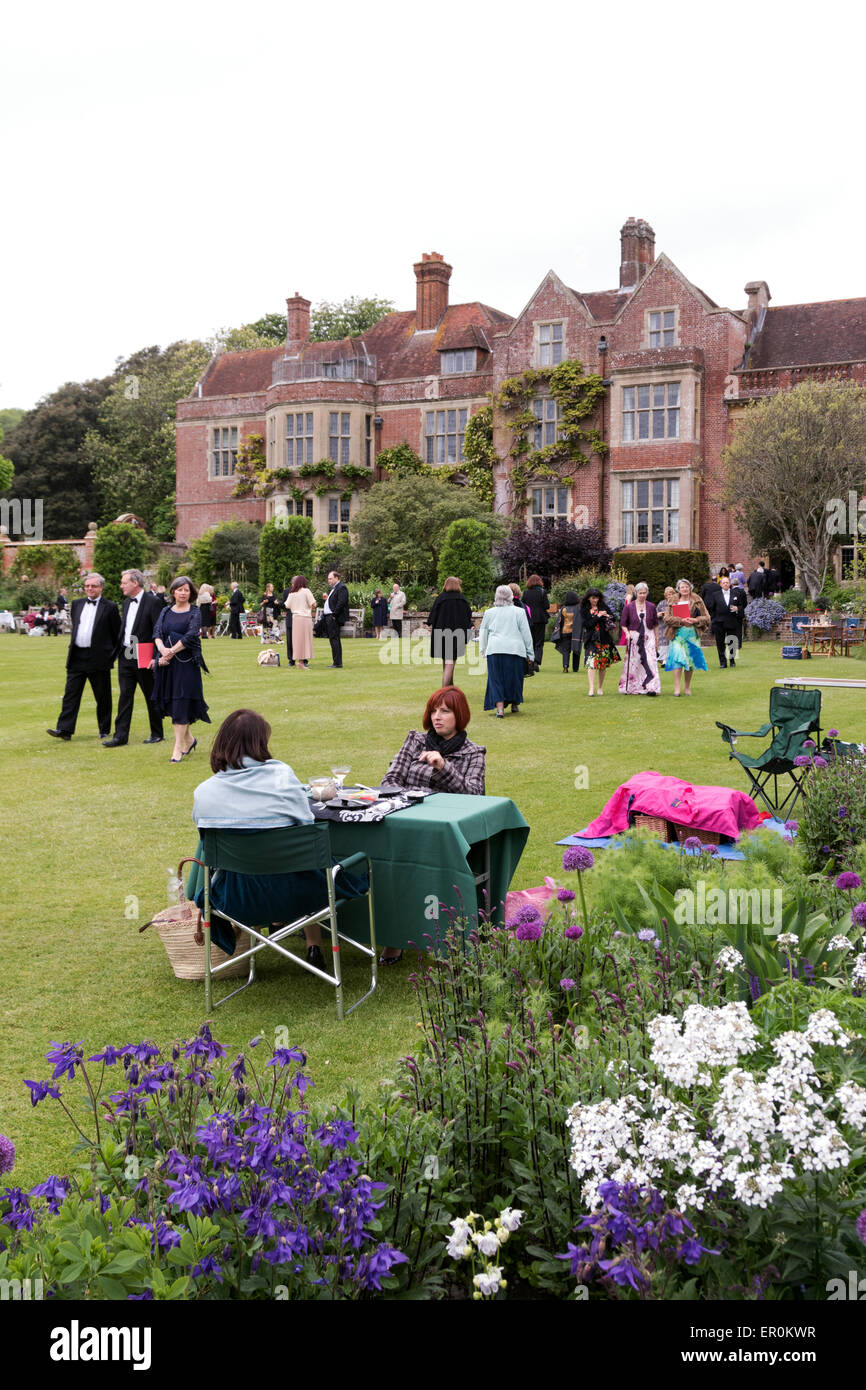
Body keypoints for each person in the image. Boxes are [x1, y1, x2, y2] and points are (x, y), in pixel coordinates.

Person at [192, 709, 331, 969]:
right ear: (260, 743)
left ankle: (279, 935)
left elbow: (206, 842)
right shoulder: (282, 777)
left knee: (266, 867)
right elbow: (306, 826)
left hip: (235, 897)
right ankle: (314, 944)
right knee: (306, 866)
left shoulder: (204, 793)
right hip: (297, 893)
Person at [380, 686, 486, 963]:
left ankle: (446, 932)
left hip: (447, 832)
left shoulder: (474, 753)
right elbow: (390, 781)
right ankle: (395, 935)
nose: (437, 717)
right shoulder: (415, 740)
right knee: (390, 866)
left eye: (445, 711)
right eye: (433, 711)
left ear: (459, 715)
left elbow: (475, 797)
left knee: (427, 871)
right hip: (408, 822)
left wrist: (443, 768)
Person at [47, 573, 121, 741]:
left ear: (101, 587)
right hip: (77, 656)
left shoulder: (109, 607)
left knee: (102, 696)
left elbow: (117, 634)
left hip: (99, 657)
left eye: (93, 586)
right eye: (87, 586)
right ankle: (64, 730)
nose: (89, 589)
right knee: (70, 694)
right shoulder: (77, 604)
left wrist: (111, 657)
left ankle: (104, 728)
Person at [103, 568, 165, 746]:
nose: (121, 585)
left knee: (150, 694)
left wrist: (156, 656)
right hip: (126, 655)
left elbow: (158, 631)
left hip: (145, 655)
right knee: (125, 696)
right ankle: (120, 736)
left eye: (124, 582)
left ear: (135, 583)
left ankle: (157, 732)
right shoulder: (126, 603)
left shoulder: (153, 602)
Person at [152, 576, 211, 761]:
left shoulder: (195, 612)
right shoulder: (165, 611)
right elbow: (157, 632)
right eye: (180, 590)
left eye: (186, 590)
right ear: (173, 592)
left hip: (186, 665)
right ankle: (189, 740)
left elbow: (191, 636)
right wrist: (162, 650)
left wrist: (170, 651)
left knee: (181, 702)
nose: (183, 593)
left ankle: (177, 748)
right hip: (168, 665)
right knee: (172, 703)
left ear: (191, 593)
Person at [479, 584, 534, 717]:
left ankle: (500, 709)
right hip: (515, 649)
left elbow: (483, 633)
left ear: (496, 596)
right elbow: (526, 633)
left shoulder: (489, 613)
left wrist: (483, 649)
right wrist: (530, 653)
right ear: (511, 596)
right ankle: (514, 704)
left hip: (495, 649)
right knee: (515, 678)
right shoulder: (519, 612)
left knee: (496, 679)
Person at [663, 578, 710, 696]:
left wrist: (695, 620)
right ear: (678, 589)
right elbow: (666, 618)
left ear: (690, 588)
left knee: (690, 661)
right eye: (682, 587)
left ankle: (687, 688)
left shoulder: (698, 600)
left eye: (686, 586)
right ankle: (677, 689)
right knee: (678, 660)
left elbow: (707, 617)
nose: (684, 589)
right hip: (677, 635)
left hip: (692, 635)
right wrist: (681, 620)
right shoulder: (672, 600)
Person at [426, 576, 474, 687]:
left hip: (441, 632)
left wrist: (430, 625)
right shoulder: (462, 599)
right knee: (451, 660)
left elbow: (433, 615)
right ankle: (444, 690)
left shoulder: (440, 598)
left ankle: (449, 686)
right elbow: (468, 616)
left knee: (447, 660)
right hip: (457, 633)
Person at [618, 582, 661, 695]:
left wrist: (657, 639)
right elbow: (623, 624)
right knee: (635, 662)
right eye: (640, 593)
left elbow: (656, 624)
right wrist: (627, 633)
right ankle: (633, 686)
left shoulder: (651, 606)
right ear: (636, 593)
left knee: (651, 661)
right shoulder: (629, 607)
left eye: (644, 593)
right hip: (634, 637)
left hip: (649, 636)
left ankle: (651, 687)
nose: (642, 595)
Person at [581, 589, 620, 696]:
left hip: (604, 639)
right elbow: (587, 625)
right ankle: (591, 688)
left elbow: (614, 617)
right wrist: (598, 616)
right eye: (593, 598)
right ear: (588, 598)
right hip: (591, 640)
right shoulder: (584, 609)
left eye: (597, 598)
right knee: (591, 664)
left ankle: (600, 688)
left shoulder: (603, 606)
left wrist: (607, 615)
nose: (595, 600)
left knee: (602, 665)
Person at [707, 571, 747, 668]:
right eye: (723, 582)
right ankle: (722, 662)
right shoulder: (715, 595)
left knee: (732, 641)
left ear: (730, 584)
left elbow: (742, 605)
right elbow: (711, 607)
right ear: (720, 584)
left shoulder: (736, 593)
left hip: (732, 621)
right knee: (720, 643)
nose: (725, 584)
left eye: (727, 582)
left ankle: (732, 660)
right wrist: (714, 618)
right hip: (719, 622)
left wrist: (738, 609)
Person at [283, 574, 316, 669]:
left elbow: (287, 605)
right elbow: (314, 604)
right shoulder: (306, 591)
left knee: (297, 640)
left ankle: (299, 661)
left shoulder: (292, 593)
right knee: (305, 640)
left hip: (296, 618)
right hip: (305, 618)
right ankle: (301, 662)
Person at [522, 574, 550, 668]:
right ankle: (536, 661)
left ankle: (531, 660)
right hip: (540, 619)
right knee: (539, 641)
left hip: (529, 619)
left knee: (531, 641)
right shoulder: (543, 592)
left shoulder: (526, 593)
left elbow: (523, 605)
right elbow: (547, 606)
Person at [550, 590, 583, 672]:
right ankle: (575, 668)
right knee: (576, 649)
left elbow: (559, 621)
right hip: (576, 633)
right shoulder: (578, 608)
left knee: (566, 651)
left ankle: (565, 667)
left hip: (565, 632)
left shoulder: (563, 609)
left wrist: (558, 632)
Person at [322, 570, 349, 668]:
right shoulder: (334, 588)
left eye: (330, 578)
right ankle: (336, 662)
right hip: (329, 616)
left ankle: (337, 663)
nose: (329, 580)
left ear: (336, 578)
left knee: (335, 639)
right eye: (328, 579)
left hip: (334, 617)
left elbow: (341, 602)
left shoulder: (341, 587)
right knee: (333, 639)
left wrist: (334, 615)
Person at [655, 585, 677, 665]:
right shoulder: (661, 604)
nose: (669, 596)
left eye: (671, 594)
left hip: (673, 626)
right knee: (664, 643)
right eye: (668, 594)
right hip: (663, 626)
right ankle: (663, 660)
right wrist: (659, 614)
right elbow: (655, 615)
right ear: (665, 595)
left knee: (673, 643)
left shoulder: (676, 603)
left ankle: (672, 659)